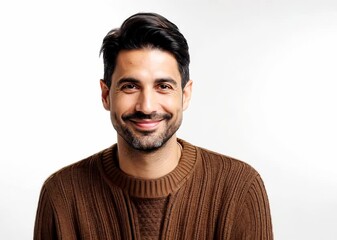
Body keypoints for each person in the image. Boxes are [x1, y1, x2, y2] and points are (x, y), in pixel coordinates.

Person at [34, 12, 273, 240]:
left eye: (163, 86)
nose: (146, 106)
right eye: (130, 86)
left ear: (185, 95)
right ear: (106, 95)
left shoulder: (239, 188)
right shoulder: (62, 194)